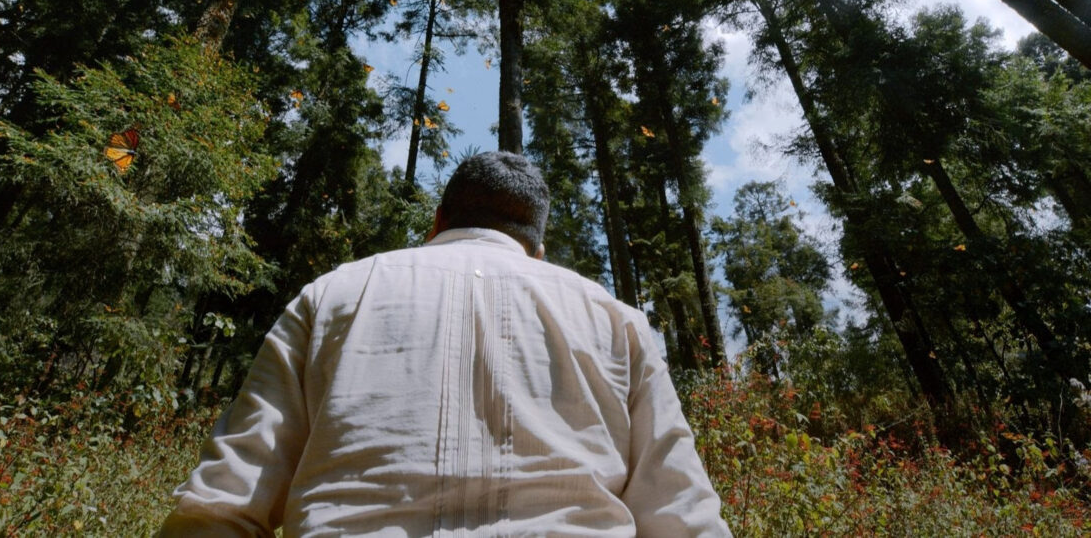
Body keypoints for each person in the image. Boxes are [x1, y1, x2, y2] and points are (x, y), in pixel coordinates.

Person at [160, 151, 730, 536]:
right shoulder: (615, 320)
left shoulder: (332, 295)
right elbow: (683, 515)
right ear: (539, 244)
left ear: (436, 220)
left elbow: (223, 504)